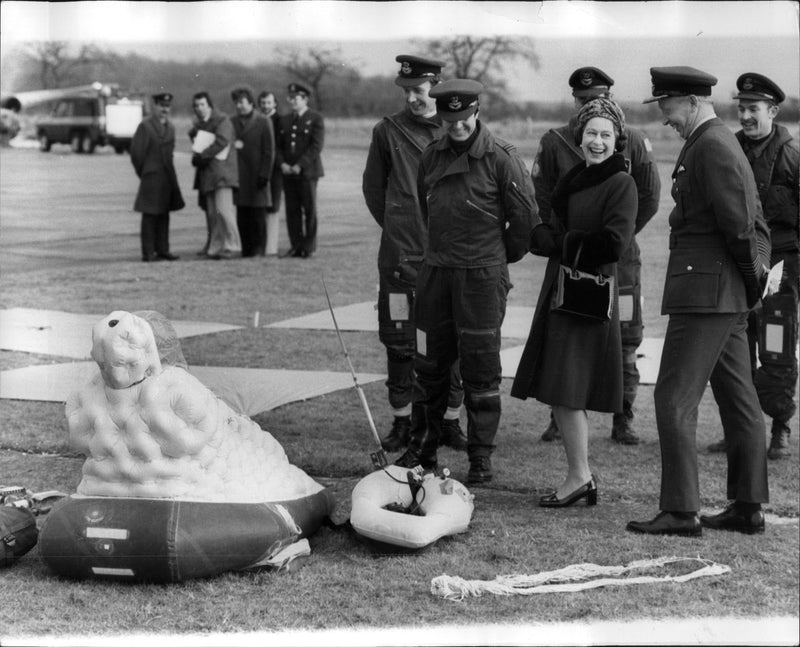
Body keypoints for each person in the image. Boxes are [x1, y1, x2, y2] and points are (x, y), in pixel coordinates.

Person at [627, 66, 771, 537]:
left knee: (673, 397)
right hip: (720, 293)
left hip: (708, 294)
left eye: (666, 106)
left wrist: (750, 281)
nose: (664, 118)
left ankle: (681, 511)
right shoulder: (711, 142)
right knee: (738, 398)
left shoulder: (711, 145)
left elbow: (742, 225)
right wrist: (746, 287)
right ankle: (747, 507)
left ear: (690, 101)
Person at [395, 79, 536, 484]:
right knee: (429, 366)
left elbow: (524, 220)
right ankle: (421, 448)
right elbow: (427, 211)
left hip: (481, 278)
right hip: (437, 273)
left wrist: (493, 258)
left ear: (477, 112)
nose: (456, 126)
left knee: (480, 367)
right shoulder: (431, 156)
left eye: (463, 118)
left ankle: (480, 457)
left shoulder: (501, 157)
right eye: (448, 119)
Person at [511, 98, 637, 507]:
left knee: (567, 387)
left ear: (617, 139)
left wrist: (561, 243)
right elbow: (556, 222)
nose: (597, 142)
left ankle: (579, 476)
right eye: (591, 133)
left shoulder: (621, 182)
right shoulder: (574, 177)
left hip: (588, 294)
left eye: (605, 134)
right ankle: (579, 474)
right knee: (561, 387)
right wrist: (541, 234)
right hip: (563, 287)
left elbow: (614, 243)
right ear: (579, 137)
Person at [532, 67, 661, 446]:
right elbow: (542, 197)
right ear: (574, 101)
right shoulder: (556, 141)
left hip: (618, 262)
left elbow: (649, 197)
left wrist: (613, 237)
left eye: (600, 98)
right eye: (585, 101)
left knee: (624, 338)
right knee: (567, 339)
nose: (593, 106)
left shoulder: (632, 140)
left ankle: (623, 415)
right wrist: (563, 240)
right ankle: (562, 415)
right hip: (571, 261)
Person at [362, 55, 467, 454]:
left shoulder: (456, 129)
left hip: (448, 255)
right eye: (406, 92)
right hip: (400, 256)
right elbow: (374, 191)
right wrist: (399, 222)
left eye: (419, 91)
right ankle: (403, 421)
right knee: (401, 341)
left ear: (436, 88)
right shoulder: (386, 132)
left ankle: (450, 422)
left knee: (453, 341)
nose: (412, 100)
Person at [707, 73, 799, 460]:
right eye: (741, 108)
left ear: (773, 111)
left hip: (781, 267)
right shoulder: (729, 149)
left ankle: (780, 427)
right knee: (736, 349)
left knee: (776, 344)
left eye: (753, 109)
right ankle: (738, 430)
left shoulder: (792, 157)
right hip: (740, 264)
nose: (744, 115)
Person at [129, 92, 185, 262]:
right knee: (150, 216)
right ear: (155, 106)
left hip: (167, 177)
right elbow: (136, 154)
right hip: (151, 178)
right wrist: (145, 172)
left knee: (164, 214)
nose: (164, 109)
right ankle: (148, 252)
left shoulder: (171, 128)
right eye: (161, 105)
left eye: (167, 106)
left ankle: (163, 249)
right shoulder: (145, 126)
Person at [189, 91, 240, 259]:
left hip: (222, 173)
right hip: (208, 174)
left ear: (209, 104)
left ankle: (232, 245)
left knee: (224, 211)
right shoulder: (200, 124)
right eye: (196, 106)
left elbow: (222, 141)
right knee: (213, 213)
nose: (199, 108)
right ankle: (216, 246)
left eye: (202, 104)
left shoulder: (222, 120)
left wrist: (202, 155)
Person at [275, 83, 324, 258]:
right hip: (288, 173)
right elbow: (278, 146)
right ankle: (296, 246)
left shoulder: (315, 118)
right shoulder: (285, 120)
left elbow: (316, 146)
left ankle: (308, 247)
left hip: (308, 173)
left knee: (309, 210)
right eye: (291, 98)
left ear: (305, 99)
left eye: (296, 98)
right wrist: (282, 164)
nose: (292, 101)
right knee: (292, 211)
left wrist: (299, 165)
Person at [231, 87, 274, 257]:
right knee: (243, 215)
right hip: (239, 176)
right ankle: (246, 250)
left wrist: (265, 174)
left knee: (258, 216)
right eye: (236, 103)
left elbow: (269, 151)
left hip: (257, 175)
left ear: (250, 102)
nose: (239, 106)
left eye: (242, 102)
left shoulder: (263, 121)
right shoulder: (231, 121)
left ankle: (258, 250)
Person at [258, 90, 282, 255]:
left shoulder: (280, 121)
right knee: (260, 206)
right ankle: (261, 244)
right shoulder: (257, 120)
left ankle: (271, 247)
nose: (266, 106)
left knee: (273, 207)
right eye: (263, 103)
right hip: (259, 169)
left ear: (274, 104)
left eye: (269, 103)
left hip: (275, 170)